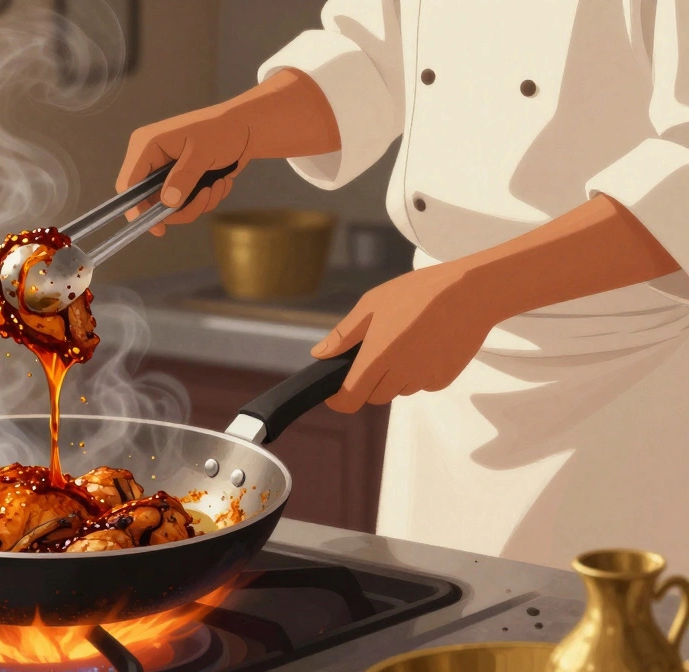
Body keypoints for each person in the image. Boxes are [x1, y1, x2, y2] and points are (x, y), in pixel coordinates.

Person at [117, 0, 689, 570]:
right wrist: (241, 124)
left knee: (608, 646)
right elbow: (372, 57)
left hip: (624, 387)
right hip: (442, 386)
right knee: (433, 636)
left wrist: (479, 291)